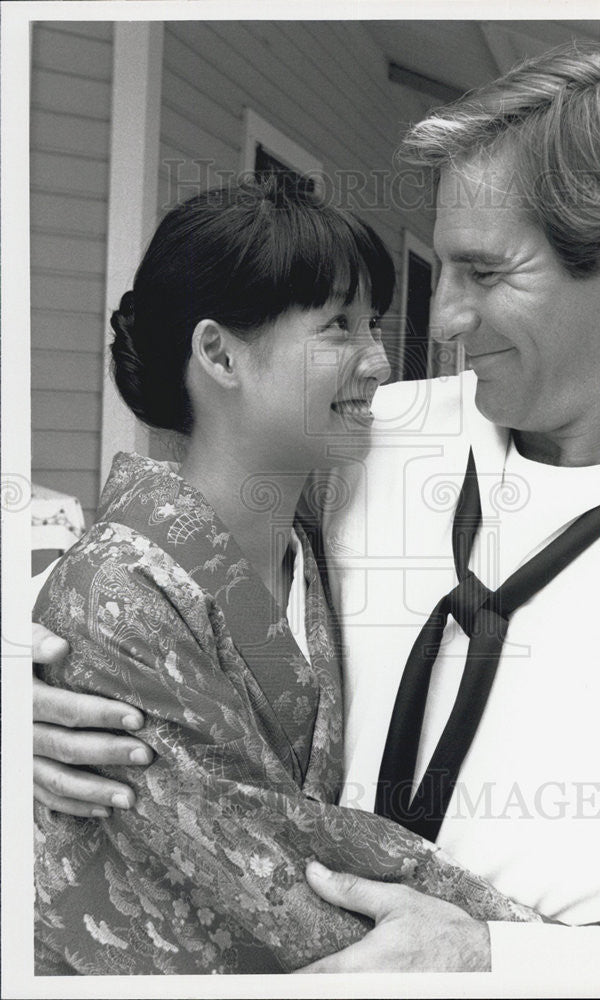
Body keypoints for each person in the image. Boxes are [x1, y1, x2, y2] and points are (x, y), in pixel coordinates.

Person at [32, 47, 600, 982]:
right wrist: (33, 672)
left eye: (484, 272)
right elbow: (166, 553)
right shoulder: (375, 437)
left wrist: (493, 957)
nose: (444, 317)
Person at [31, 176, 541, 976]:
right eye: (337, 327)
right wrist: (535, 949)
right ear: (218, 352)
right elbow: (253, 871)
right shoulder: (114, 600)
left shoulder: (315, 539)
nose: (378, 360)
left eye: (373, 323)